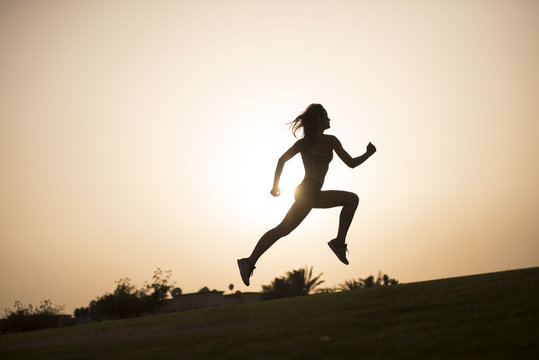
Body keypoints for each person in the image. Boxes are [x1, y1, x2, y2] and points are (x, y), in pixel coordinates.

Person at [237, 104, 377, 286]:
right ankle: (248, 262)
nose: (329, 119)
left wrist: (275, 186)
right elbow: (351, 163)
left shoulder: (310, 143)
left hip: (311, 192)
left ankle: (339, 243)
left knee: (351, 199)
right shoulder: (326, 140)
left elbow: (282, 160)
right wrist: (368, 153)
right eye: (326, 116)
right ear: (319, 119)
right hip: (308, 191)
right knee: (283, 229)